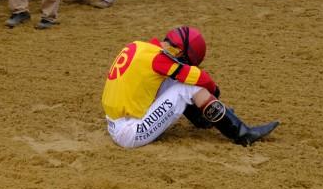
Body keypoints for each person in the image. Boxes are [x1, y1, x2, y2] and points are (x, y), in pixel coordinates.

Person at [101, 25, 279, 149]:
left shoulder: (139, 46)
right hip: (129, 133)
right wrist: (213, 92)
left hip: (115, 124)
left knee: (177, 82)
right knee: (188, 87)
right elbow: (202, 79)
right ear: (180, 51)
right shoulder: (159, 59)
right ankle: (242, 134)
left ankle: (205, 120)